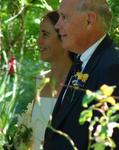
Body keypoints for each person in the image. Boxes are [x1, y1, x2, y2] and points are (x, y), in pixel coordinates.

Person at [44, 0, 119, 150]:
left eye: (64, 17)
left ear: (89, 20)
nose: (57, 25)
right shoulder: (81, 60)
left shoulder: (113, 68)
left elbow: (107, 142)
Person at [31, 11, 73, 150]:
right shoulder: (40, 80)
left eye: (45, 34)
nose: (38, 41)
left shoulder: (78, 83)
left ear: (64, 37)